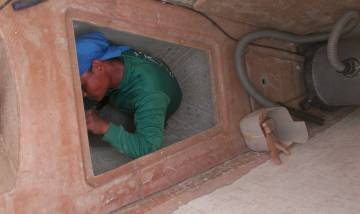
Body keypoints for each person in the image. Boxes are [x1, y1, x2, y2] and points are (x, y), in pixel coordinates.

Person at [76, 32, 182, 159]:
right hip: (149, 84)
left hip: (154, 101)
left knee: (89, 138)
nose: (82, 94)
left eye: (82, 86)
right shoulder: (113, 59)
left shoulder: (149, 94)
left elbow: (148, 148)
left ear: (98, 67)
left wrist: (104, 128)